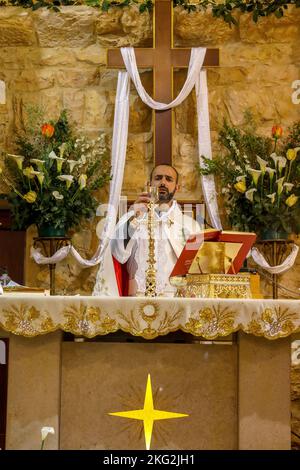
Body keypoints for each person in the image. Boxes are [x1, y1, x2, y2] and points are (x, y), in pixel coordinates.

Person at [111, 164, 200, 296]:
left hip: (175, 299)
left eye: (169, 179)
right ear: (149, 183)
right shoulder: (132, 217)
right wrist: (134, 218)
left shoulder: (189, 226)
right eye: (158, 178)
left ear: (177, 187)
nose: (163, 182)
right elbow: (118, 253)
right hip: (136, 297)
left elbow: (196, 268)